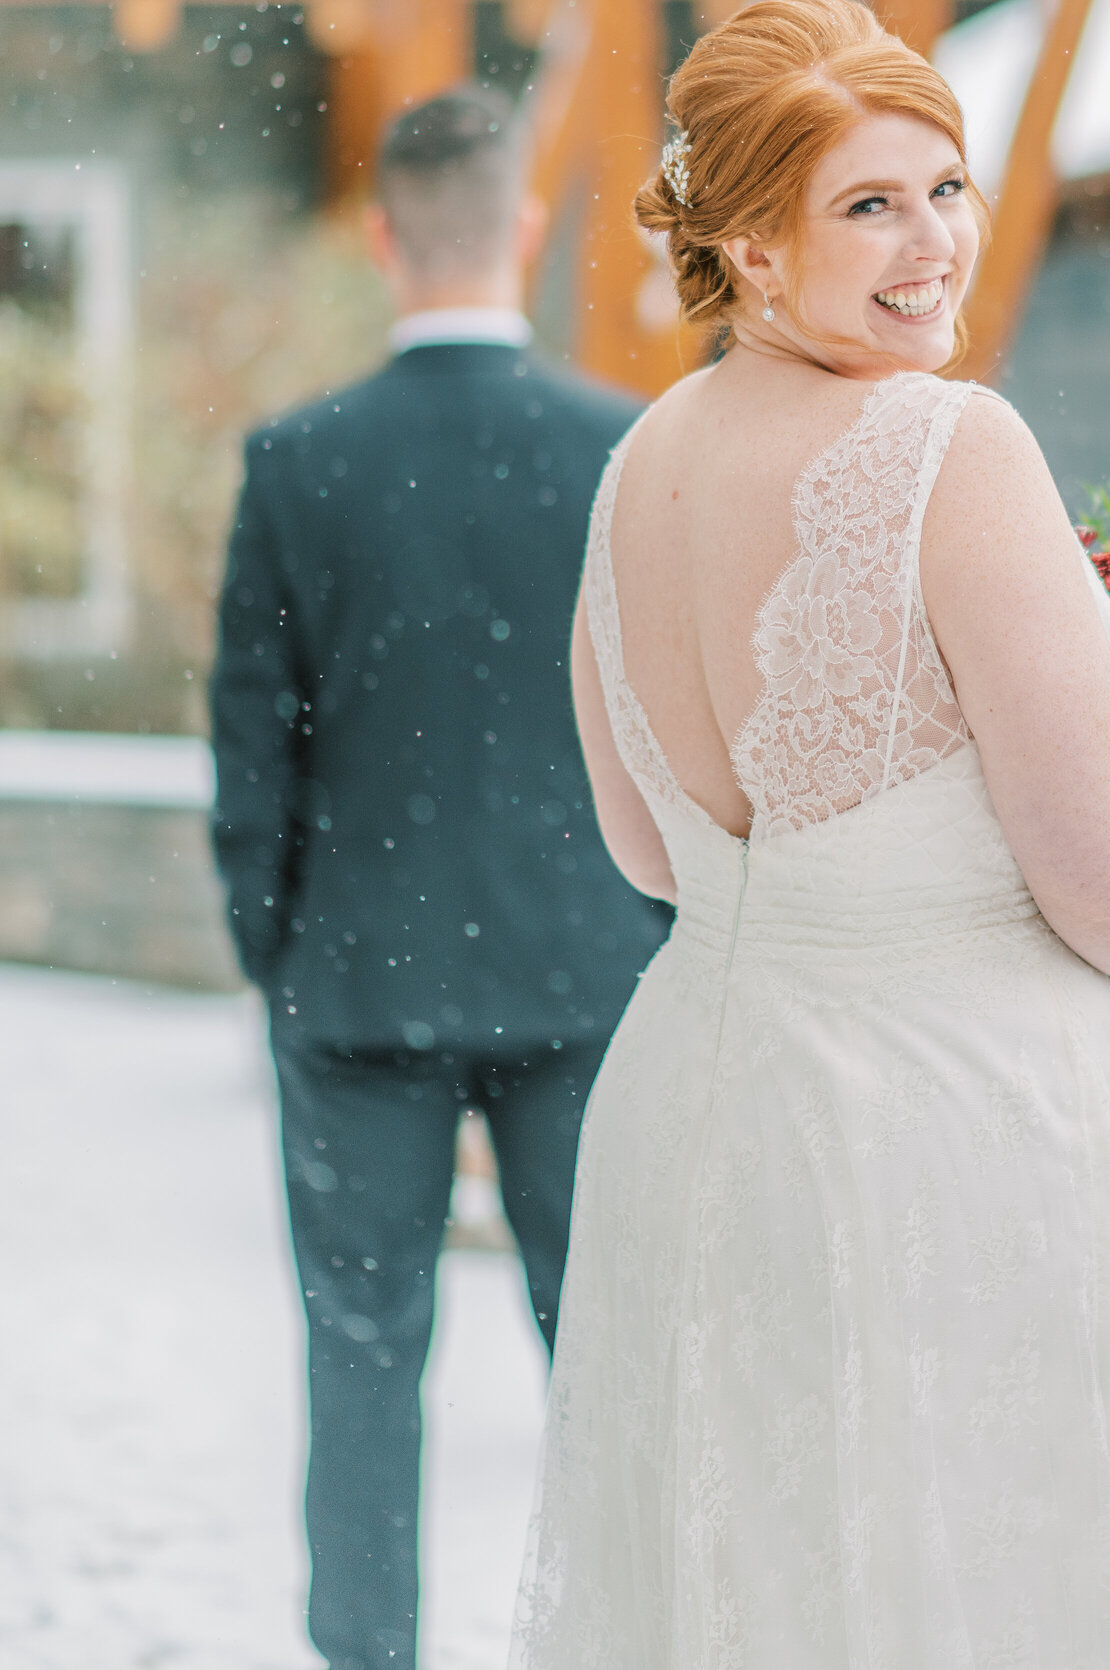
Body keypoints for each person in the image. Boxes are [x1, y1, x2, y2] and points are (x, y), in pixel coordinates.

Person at [511, 0, 1110, 1668]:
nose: (933, 242)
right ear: (753, 249)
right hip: (951, 1124)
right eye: (868, 204)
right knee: (986, 1585)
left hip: (697, 1116)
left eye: (946, 184)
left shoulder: (633, 466)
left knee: (754, 1585)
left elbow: (648, 846)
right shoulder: (947, 445)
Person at [209, 85, 669, 1670]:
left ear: (383, 235)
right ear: (526, 231)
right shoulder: (617, 449)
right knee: (608, 1363)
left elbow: (252, 745)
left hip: (358, 981)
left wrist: (278, 948)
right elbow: (668, 727)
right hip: (588, 972)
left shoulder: (301, 459)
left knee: (359, 1360)